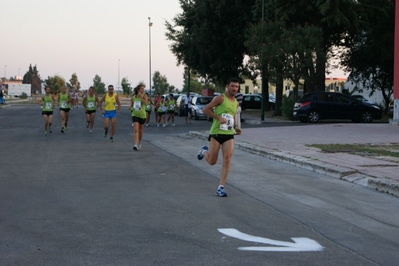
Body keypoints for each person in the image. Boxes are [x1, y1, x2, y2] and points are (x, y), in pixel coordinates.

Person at [197, 78, 242, 197]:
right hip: (216, 133)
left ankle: (220, 187)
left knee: (227, 159)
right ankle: (204, 151)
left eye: (237, 87)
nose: (234, 89)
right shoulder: (221, 98)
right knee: (212, 161)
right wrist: (218, 118)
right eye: (232, 86)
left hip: (228, 134)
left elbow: (232, 117)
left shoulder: (236, 102)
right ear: (227, 86)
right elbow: (205, 109)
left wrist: (236, 127)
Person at [130, 84, 148, 150]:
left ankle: (140, 142)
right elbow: (132, 104)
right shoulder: (134, 96)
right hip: (135, 114)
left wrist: (141, 97)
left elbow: (146, 103)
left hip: (142, 115)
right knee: (135, 130)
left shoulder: (145, 95)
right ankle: (135, 144)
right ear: (138, 90)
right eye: (141, 89)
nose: (143, 90)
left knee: (140, 130)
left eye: (143, 89)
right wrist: (130, 107)